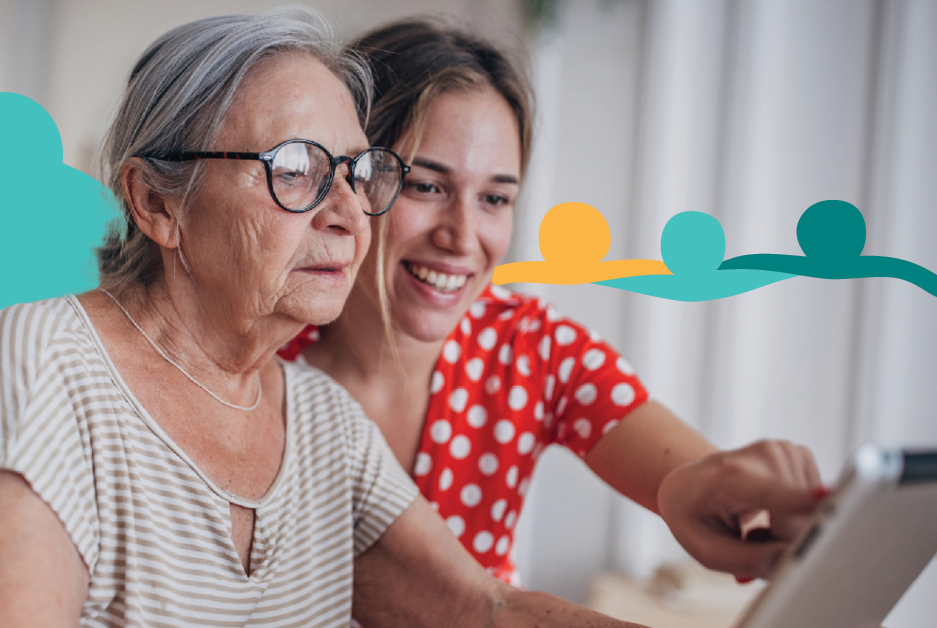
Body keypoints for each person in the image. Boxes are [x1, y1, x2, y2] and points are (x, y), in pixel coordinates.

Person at [0, 9, 648, 628]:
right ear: (157, 203)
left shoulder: (324, 426)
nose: (347, 214)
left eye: (355, 172)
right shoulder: (40, 361)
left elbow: (479, 611)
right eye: (295, 169)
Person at [280, 17, 825, 588]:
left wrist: (729, 494)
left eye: (494, 198)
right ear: (347, 178)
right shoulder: (258, 351)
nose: (463, 237)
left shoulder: (529, 346)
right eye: (426, 186)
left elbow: (696, 478)